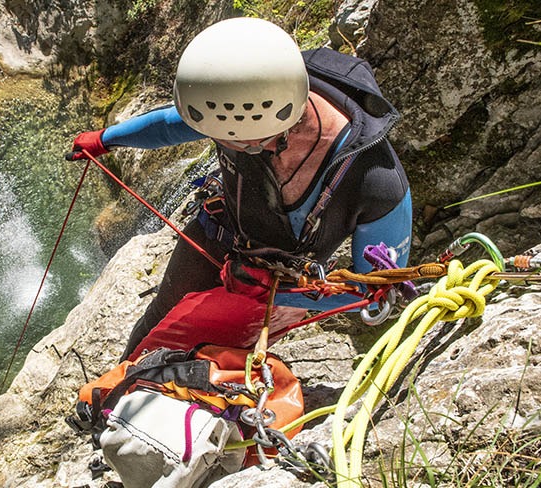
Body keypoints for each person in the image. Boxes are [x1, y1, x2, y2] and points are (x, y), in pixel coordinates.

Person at [67, 17, 412, 361]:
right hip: (216, 233)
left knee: (220, 356)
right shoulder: (247, 95)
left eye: (234, 143)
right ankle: (121, 386)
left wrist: (276, 294)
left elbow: (371, 294)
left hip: (283, 283)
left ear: (260, 134)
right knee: (158, 323)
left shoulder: (375, 181)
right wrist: (105, 139)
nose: (220, 144)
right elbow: (172, 125)